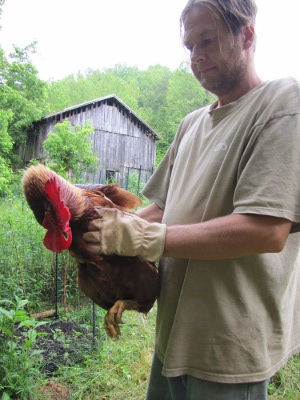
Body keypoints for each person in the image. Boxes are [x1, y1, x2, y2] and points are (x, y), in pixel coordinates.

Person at [82, 0, 300, 398]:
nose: (197, 57)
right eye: (189, 46)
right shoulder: (191, 123)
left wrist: (149, 239)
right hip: (175, 334)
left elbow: (267, 230)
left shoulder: (282, 103)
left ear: (247, 34)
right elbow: (161, 209)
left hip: (229, 348)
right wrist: (95, 232)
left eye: (207, 41)